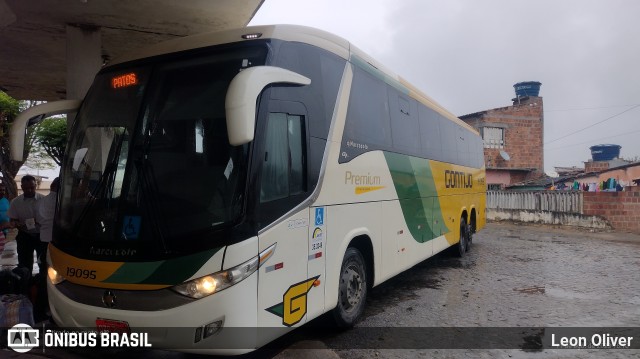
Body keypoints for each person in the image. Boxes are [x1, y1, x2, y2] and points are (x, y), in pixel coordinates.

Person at [7, 175, 44, 273]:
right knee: (24, 264)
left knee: (44, 263)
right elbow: (12, 220)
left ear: (35, 185)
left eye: (32, 187)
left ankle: (42, 284)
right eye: (26, 188)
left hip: (42, 236)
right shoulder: (15, 202)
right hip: (24, 235)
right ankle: (25, 285)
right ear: (22, 187)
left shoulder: (44, 200)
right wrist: (16, 224)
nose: (30, 190)